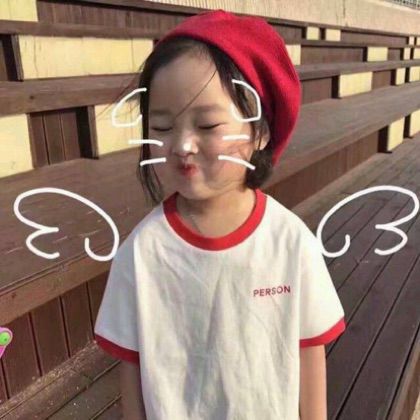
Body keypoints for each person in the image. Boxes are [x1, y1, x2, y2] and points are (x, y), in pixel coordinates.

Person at [94, 9, 346, 420]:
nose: (182, 145)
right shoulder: (142, 253)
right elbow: (132, 368)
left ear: (260, 131)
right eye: (162, 127)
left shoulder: (289, 242)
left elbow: (308, 351)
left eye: (208, 125)